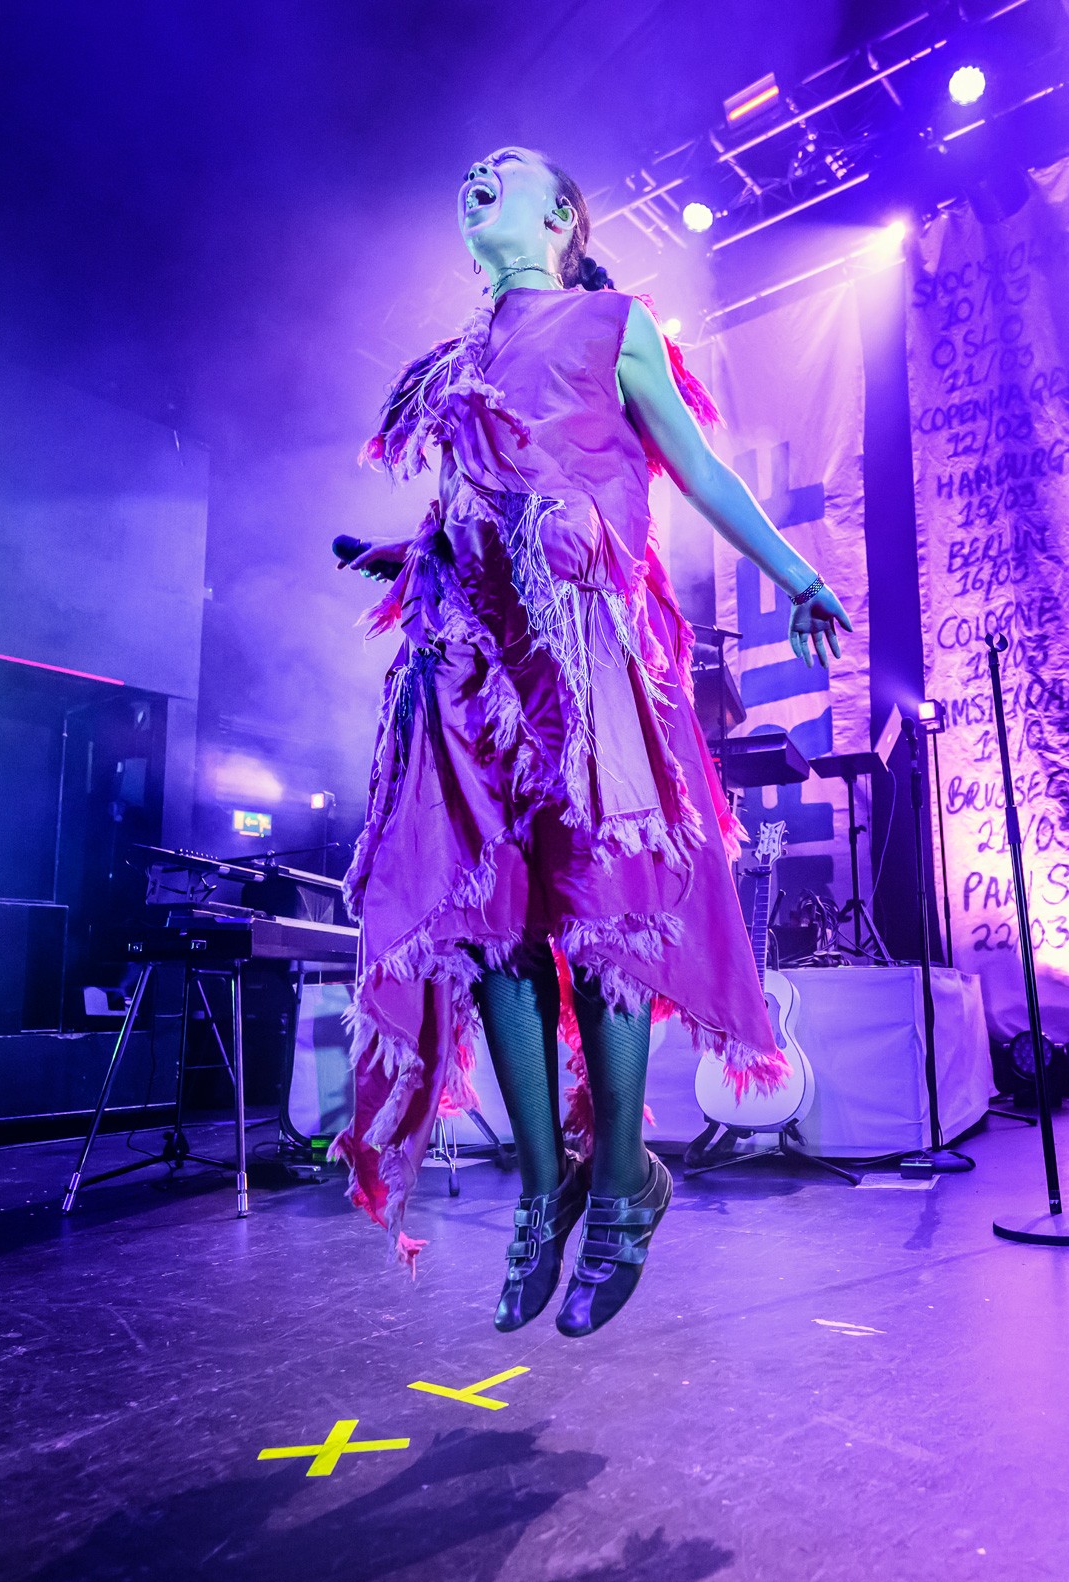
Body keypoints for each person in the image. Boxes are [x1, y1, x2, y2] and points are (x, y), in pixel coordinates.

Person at [331, 146, 852, 1338]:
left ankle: (620, 1182)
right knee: (492, 922)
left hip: (588, 656)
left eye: (504, 168)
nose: (475, 172)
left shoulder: (613, 326)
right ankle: (543, 1187)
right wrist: (399, 556)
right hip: (467, 672)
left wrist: (791, 573)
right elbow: (469, 513)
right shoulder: (450, 364)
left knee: (608, 911)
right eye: (469, 169)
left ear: (561, 215)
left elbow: (694, 465)